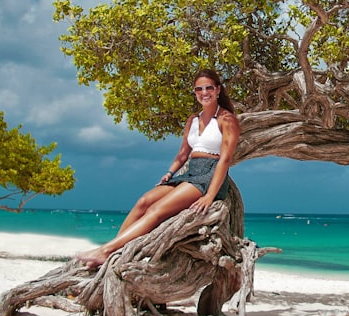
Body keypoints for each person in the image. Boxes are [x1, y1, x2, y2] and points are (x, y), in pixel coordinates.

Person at [76, 69, 240, 268]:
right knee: (144, 201)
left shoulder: (226, 119)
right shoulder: (193, 120)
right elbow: (183, 154)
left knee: (156, 210)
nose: (204, 92)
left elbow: (225, 159)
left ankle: (106, 251)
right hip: (189, 173)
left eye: (209, 88)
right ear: (195, 92)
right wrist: (170, 173)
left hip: (209, 175)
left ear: (218, 90)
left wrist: (210, 195)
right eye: (199, 89)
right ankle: (114, 251)